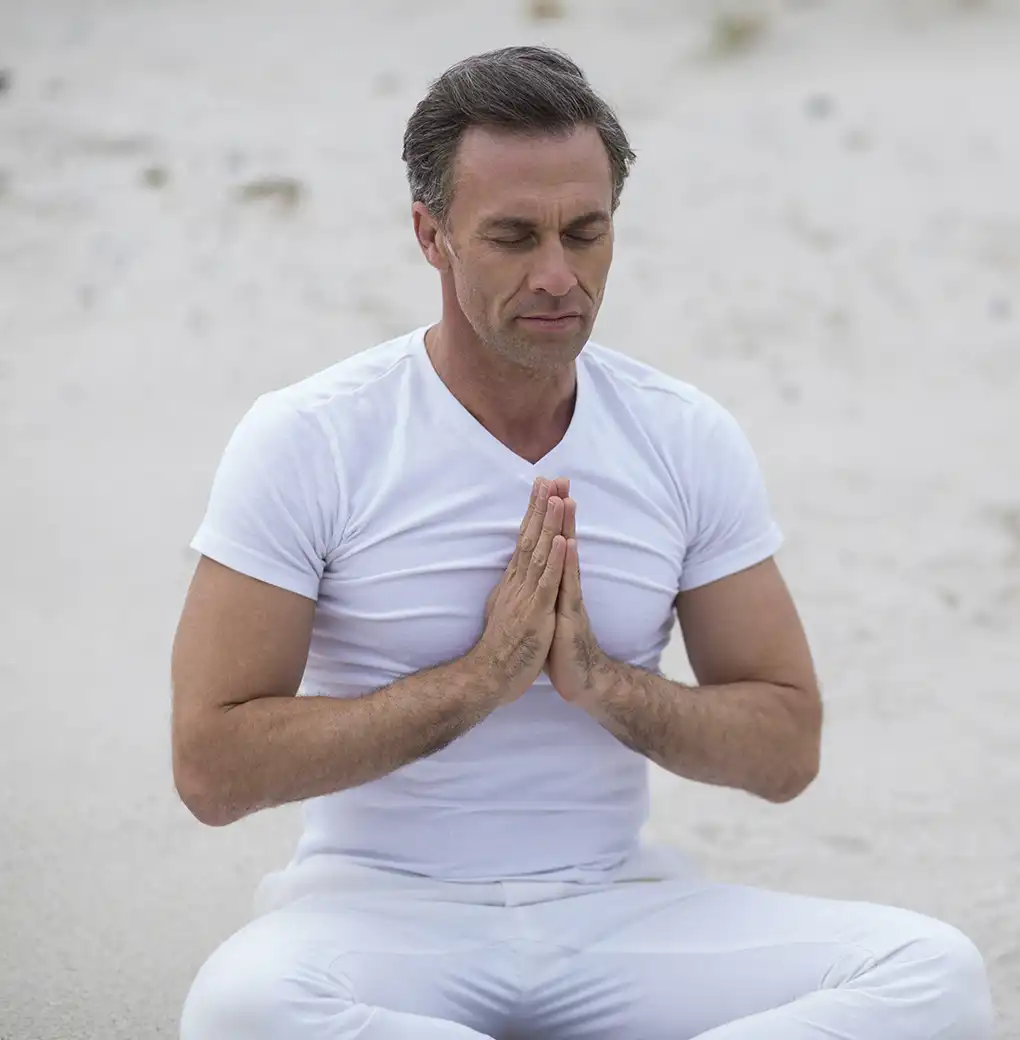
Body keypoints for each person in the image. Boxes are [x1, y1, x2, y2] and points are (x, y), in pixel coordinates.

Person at [171, 45, 994, 1040]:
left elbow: (786, 749)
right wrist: (478, 680)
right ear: (431, 236)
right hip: (377, 913)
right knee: (242, 1007)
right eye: (514, 236)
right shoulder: (312, 437)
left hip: (619, 909)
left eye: (587, 232)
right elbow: (211, 767)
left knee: (932, 973)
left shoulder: (682, 434)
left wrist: (603, 680)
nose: (560, 274)